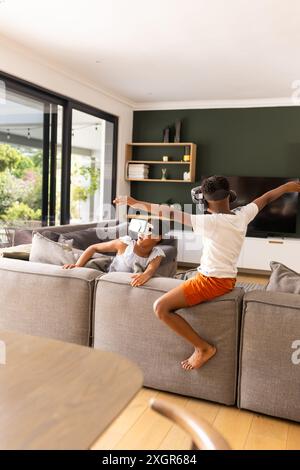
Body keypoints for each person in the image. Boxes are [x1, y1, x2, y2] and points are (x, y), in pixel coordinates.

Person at [114, 176, 300, 370]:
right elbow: (267, 198)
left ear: (204, 200)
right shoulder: (242, 214)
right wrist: (287, 187)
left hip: (211, 281)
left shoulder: (208, 222)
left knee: (160, 307)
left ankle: (203, 348)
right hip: (226, 278)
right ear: (230, 196)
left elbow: (167, 212)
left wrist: (135, 203)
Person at [63, 221, 166, 287]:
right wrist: (77, 266)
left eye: (147, 230)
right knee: (78, 256)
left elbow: (151, 270)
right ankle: (68, 251)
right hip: (109, 277)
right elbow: (93, 248)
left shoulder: (157, 254)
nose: (141, 232)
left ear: (157, 237)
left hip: (125, 282)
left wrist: (145, 275)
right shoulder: (125, 244)